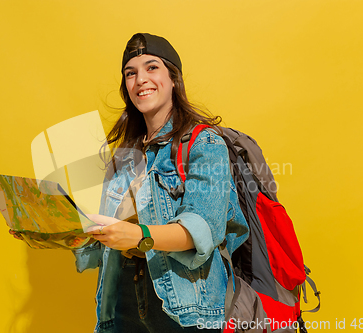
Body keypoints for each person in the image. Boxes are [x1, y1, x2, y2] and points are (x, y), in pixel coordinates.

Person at [73, 33, 249, 333]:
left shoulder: (204, 142)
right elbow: (107, 233)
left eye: (151, 67)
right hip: (121, 303)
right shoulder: (125, 155)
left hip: (186, 307)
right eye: (131, 73)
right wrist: (54, 231)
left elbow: (202, 230)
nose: (140, 79)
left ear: (172, 78)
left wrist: (139, 235)